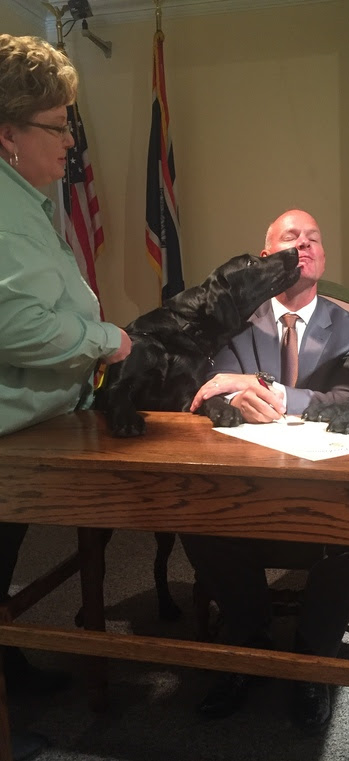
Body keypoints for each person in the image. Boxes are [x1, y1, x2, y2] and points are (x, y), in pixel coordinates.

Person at [184, 209, 349, 731]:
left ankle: (311, 657)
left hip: (329, 485)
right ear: (266, 257)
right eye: (290, 238)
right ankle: (248, 641)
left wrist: (270, 390)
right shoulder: (233, 320)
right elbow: (207, 388)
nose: (304, 245)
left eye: (313, 238)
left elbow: (347, 400)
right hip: (246, 480)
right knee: (190, 510)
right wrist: (229, 390)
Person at [0, 34, 131, 759]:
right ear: (7, 134)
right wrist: (107, 340)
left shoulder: (26, 198)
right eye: (58, 125)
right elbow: (15, 324)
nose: (71, 140)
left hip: (38, 426)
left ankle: (10, 662)